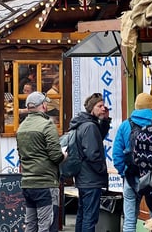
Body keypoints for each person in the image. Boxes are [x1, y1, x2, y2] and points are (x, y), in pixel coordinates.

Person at [16, 91, 65, 232]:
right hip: (45, 183)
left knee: (30, 224)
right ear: (43, 106)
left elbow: (20, 154)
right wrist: (64, 156)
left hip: (28, 183)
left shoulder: (21, 127)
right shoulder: (47, 125)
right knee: (47, 225)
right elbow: (56, 156)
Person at [112, 93, 152, 232]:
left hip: (131, 175)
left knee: (130, 220)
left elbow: (117, 154)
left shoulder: (125, 125)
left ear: (136, 106)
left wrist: (123, 172)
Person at [66, 93, 108, 232]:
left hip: (83, 177)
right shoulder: (90, 126)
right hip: (91, 178)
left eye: (104, 105)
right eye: (99, 106)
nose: (103, 108)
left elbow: (97, 138)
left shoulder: (84, 124)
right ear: (91, 108)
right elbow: (93, 153)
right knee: (90, 217)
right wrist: (102, 169)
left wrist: (105, 121)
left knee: (83, 215)